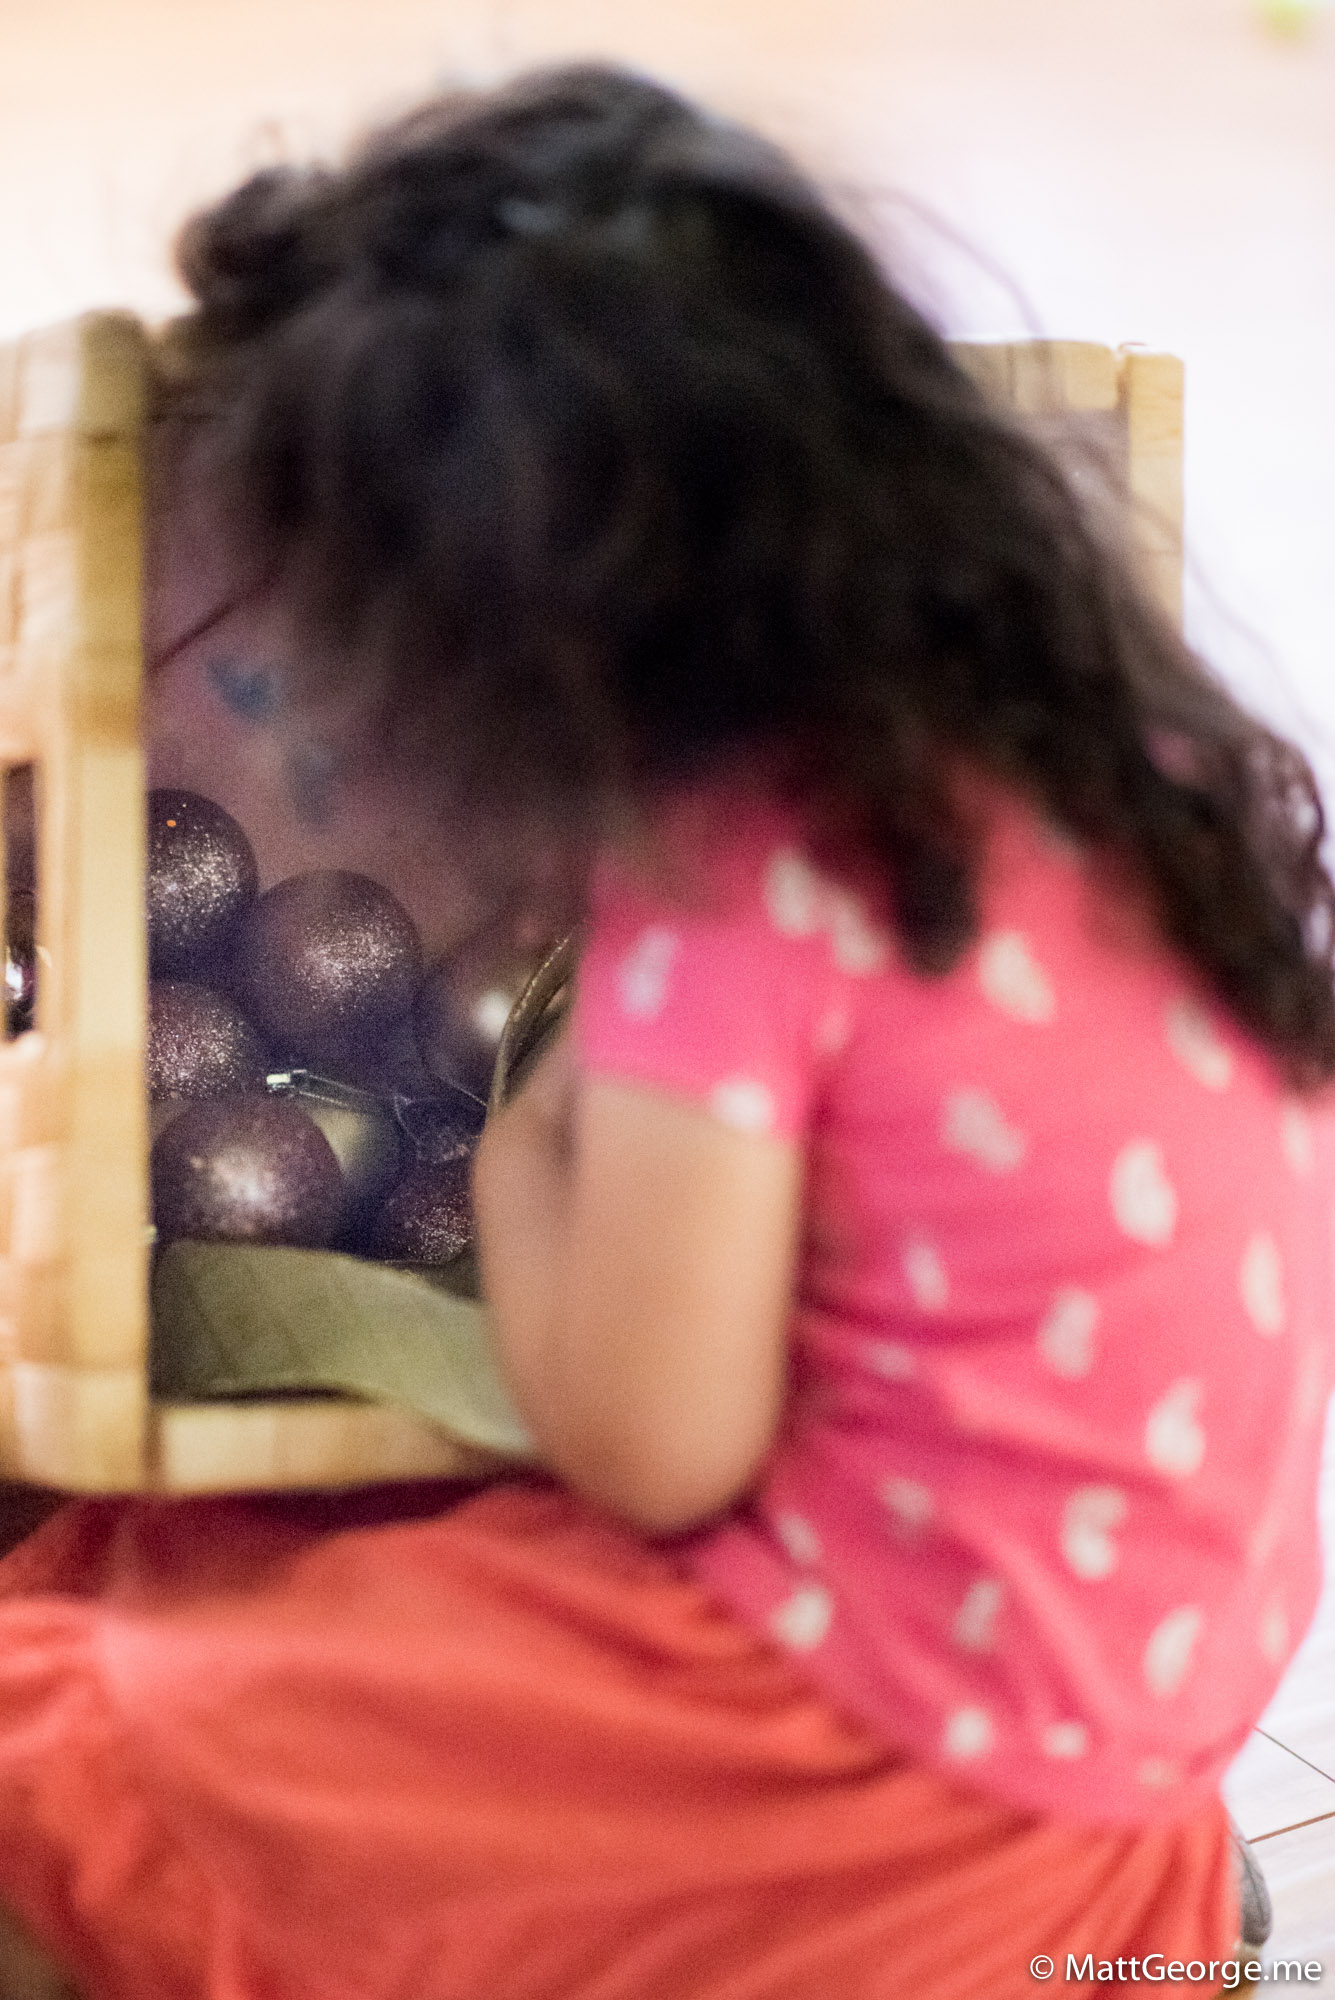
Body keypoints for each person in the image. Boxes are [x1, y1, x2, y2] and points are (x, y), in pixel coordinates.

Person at [0, 61, 1330, 2000]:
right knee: (205, 1574)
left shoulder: (736, 885)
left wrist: (542, 1129)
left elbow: (644, 1441)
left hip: (842, 1786)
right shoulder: (1131, 785)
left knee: (105, 1722)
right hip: (1125, 1763)